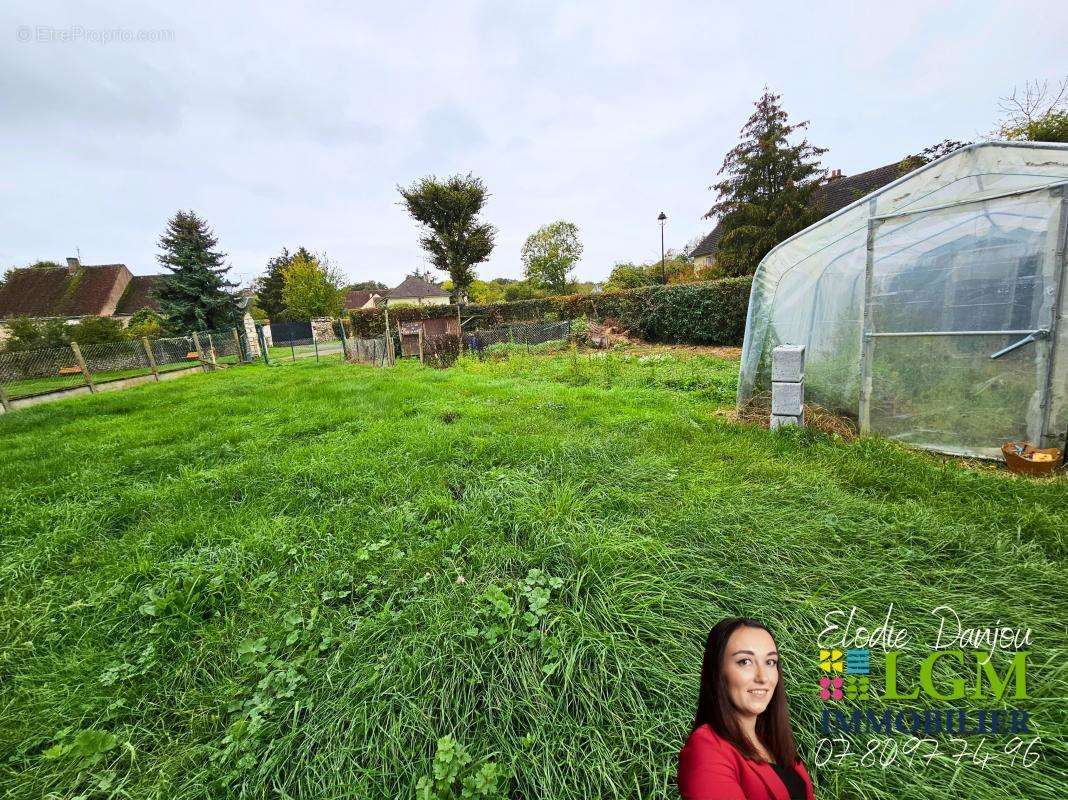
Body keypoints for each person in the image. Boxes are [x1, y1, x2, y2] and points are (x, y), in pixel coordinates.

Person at [677, 618, 815, 800]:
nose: (763, 677)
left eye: (770, 662)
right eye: (745, 662)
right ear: (718, 671)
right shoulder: (706, 747)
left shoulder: (773, 744)